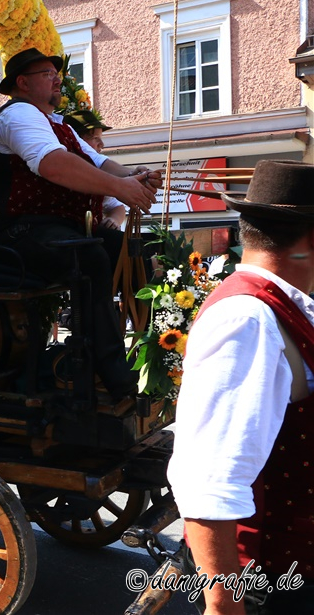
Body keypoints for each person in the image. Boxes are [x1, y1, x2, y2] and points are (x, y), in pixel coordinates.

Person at [167, 159, 314, 614]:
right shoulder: (247, 318)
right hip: (273, 583)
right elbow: (208, 477)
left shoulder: (284, 306)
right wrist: (223, 605)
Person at [0, 48, 161, 399]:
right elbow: (51, 164)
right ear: (23, 83)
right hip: (16, 232)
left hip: (55, 229)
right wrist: (120, 188)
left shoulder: (58, 123)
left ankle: (150, 356)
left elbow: (97, 161)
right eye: (48, 73)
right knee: (89, 258)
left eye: (55, 72)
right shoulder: (17, 115)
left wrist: (133, 177)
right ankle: (112, 376)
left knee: (139, 250)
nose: (58, 78)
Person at [64, 109, 126, 230]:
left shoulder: (100, 170)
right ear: (76, 140)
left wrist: (113, 220)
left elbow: (117, 207)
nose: (101, 144)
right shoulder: (61, 167)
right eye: (95, 138)